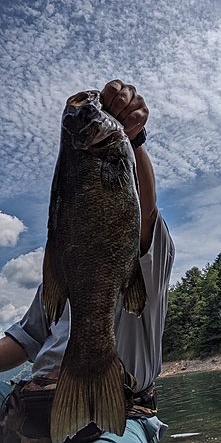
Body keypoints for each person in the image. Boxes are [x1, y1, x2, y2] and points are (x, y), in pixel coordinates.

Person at [0, 80, 175, 443]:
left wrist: (135, 139)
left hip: (118, 415)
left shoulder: (145, 261)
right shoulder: (63, 273)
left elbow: (145, 215)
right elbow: (22, 341)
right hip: (31, 406)